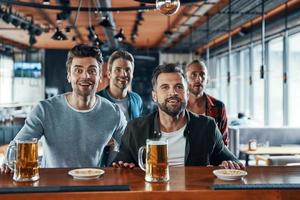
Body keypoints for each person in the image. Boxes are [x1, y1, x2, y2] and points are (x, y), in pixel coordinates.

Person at [1, 44, 127, 172]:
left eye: (92, 70)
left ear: (100, 76)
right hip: (51, 187)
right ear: (68, 75)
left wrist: (122, 162)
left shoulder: (114, 113)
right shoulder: (45, 110)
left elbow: (130, 150)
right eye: (78, 70)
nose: (85, 76)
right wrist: (9, 164)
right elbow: (15, 149)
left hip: (91, 184)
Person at [112, 63, 244, 169]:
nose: (173, 92)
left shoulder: (207, 126)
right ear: (154, 96)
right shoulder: (135, 129)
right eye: (165, 87)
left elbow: (232, 162)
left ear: (187, 93)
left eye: (179, 87)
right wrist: (122, 167)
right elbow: (119, 167)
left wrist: (229, 165)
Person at [185, 60, 229, 146]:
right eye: (193, 74)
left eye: (202, 74)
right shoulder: (178, 107)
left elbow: (223, 142)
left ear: (207, 79)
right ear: (185, 79)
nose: (199, 79)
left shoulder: (219, 107)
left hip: (212, 158)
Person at [97, 50, 143, 121]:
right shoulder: (96, 100)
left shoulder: (137, 100)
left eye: (127, 70)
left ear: (132, 74)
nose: (123, 74)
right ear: (109, 74)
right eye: (118, 70)